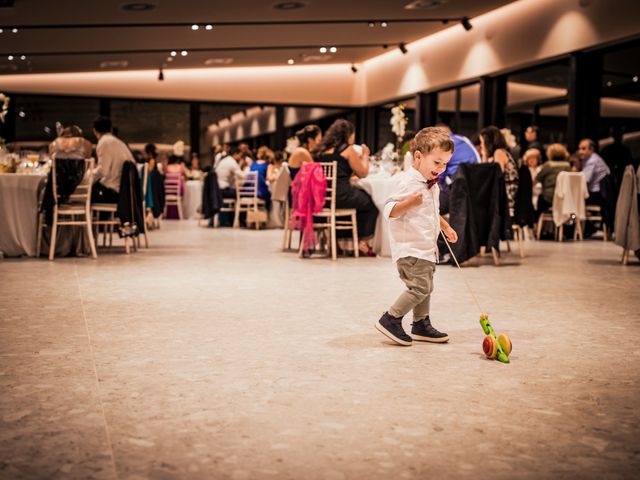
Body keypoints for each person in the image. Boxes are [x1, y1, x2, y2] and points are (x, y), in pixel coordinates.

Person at [375, 127, 457, 346]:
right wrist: (409, 203)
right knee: (419, 287)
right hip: (410, 247)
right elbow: (389, 209)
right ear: (419, 156)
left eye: (445, 164)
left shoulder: (430, 184)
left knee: (427, 286)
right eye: (437, 162)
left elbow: (431, 211)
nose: (441, 169)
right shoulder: (408, 182)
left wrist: (445, 226)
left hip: (426, 246)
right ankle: (390, 319)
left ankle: (421, 324)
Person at [316, 119, 378, 256]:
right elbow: (363, 173)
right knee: (371, 202)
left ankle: (339, 242)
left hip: (322, 198)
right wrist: (365, 155)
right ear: (348, 134)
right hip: (341, 196)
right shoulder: (347, 150)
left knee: (358, 201)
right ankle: (361, 241)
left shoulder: (321, 151)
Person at [435, 123, 480, 214]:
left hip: (457, 190)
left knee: (429, 205)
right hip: (477, 188)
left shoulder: (446, 144)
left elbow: (439, 173)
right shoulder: (464, 140)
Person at [91, 116, 134, 204]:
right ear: (111, 130)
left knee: (84, 192)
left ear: (94, 131)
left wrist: (87, 175)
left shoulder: (104, 142)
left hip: (114, 193)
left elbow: (103, 171)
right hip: (126, 192)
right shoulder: (120, 143)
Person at [479, 126, 519, 218]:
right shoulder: (500, 152)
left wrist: (484, 154)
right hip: (501, 195)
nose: (481, 146)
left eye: (482, 142)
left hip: (506, 199)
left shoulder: (499, 153)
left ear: (488, 142)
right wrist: (484, 155)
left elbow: (494, 175)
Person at [535, 143, 571, 216]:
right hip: (564, 198)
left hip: (548, 198)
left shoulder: (548, 165)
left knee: (538, 200)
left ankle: (537, 222)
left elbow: (537, 179)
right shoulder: (567, 165)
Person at [577, 138, 610, 204]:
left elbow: (585, 181)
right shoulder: (590, 158)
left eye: (583, 149)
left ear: (591, 150)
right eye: (579, 149)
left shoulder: (592, 161)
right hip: (598, 192)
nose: (580, 152)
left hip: (597, 194)